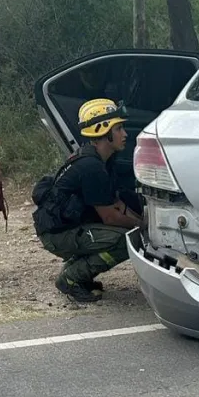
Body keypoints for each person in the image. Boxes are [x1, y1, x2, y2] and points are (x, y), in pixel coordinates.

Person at [31, 99, 145, 303]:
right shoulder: (91, 167)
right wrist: (141, 227)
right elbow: (110, 217)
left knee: (131, 233)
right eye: (119, 128)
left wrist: (143, 222)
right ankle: (71, 278)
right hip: (57, 235)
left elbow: (117, 203)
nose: (125, 134)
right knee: (127, 240)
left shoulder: (102, 161)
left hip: (64, 229)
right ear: (103, 131)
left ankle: (77, 273)